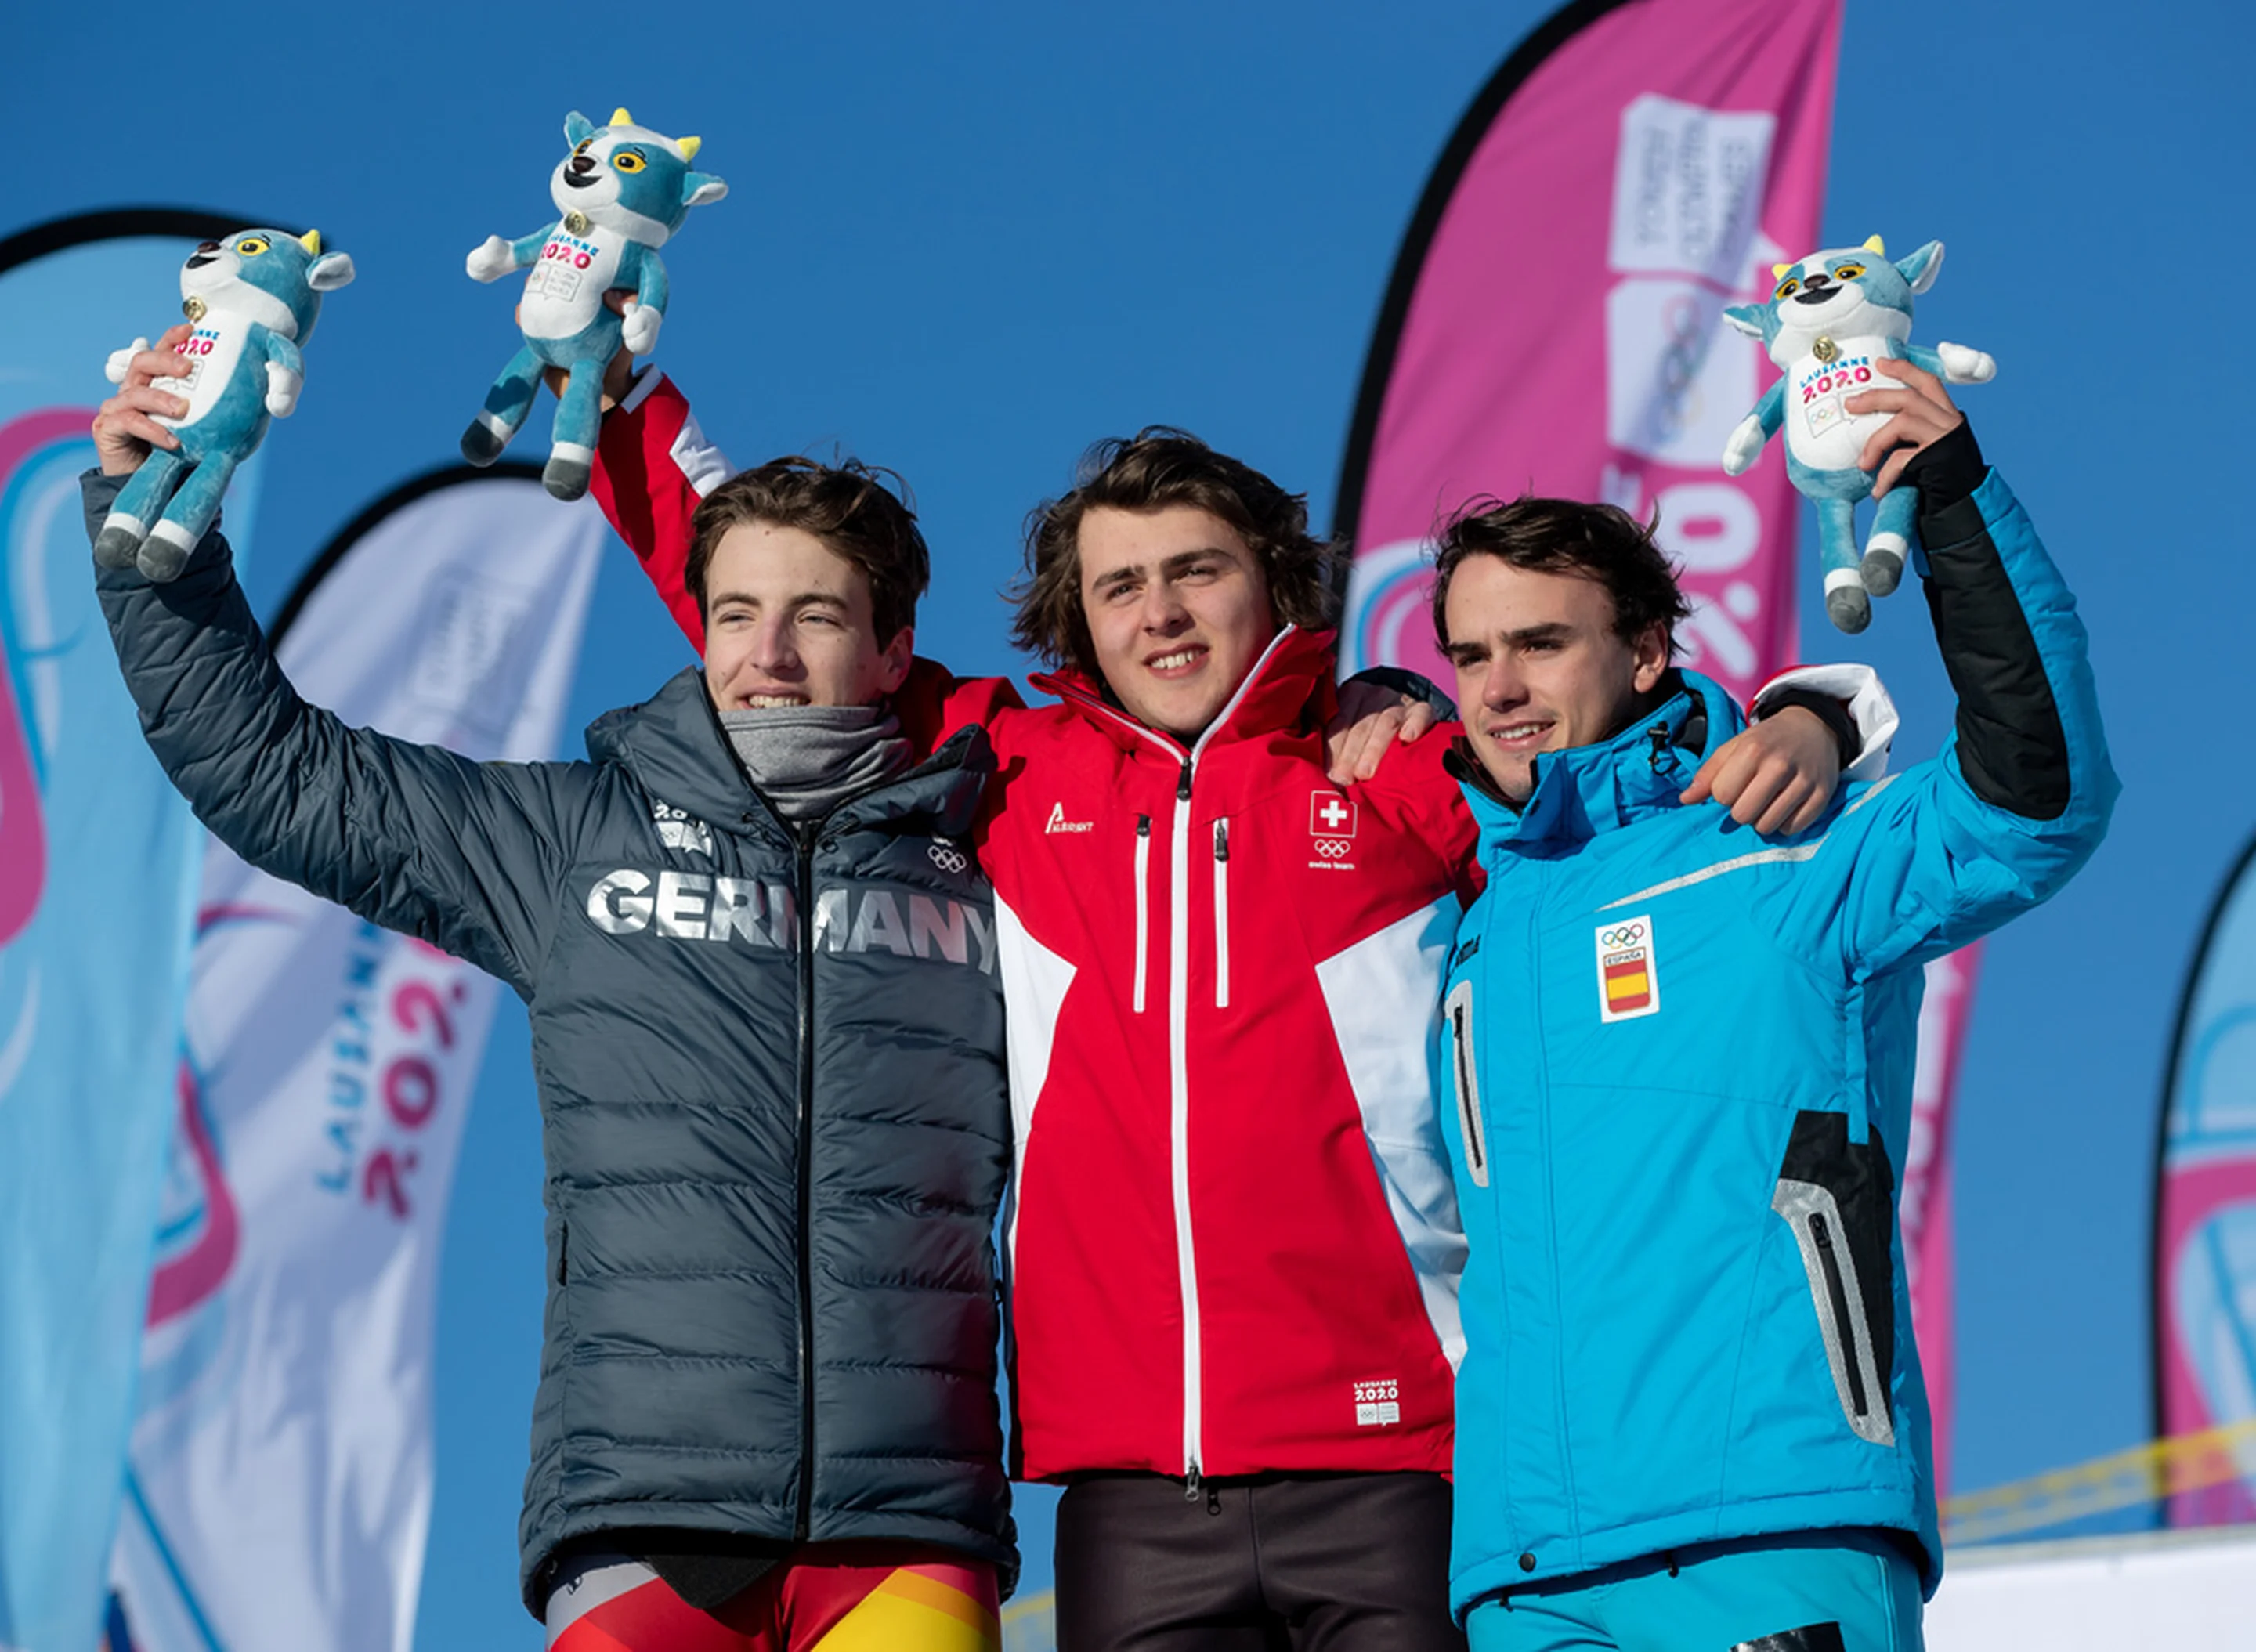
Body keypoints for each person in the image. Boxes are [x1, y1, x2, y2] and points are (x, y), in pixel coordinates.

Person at [586, 367, 1878, 1650]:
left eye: (1196, 571)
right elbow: (802, 635)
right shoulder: (1015, 775)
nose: (1161, 612)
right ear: (1076, 624)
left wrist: (1804, 714)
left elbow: (1605, 772)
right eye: (1119, 586)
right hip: (1130, 1483)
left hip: (1396, 1460)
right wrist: (615, 396)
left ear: (1272, 582)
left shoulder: (1393, 773)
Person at [89, 331, 1020, 1652]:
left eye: (816, 614)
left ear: (893, 648)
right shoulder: (575, 840)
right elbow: (273, 771)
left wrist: (1378, 707)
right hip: (640, 1519)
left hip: (908, 1525)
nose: (769, 651)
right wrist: (154, 539)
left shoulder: (991, 854)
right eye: (737, 613)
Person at [1429, 362, 2114, 1651]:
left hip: (1773, 1525)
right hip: (1527, 1569)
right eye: (1469, 655)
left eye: (1539, 643)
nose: (1499, 687)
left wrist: (1952, 502)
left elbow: (2038, 801)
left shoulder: (1784, 850)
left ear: (1642, 650)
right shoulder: (1467, 919)